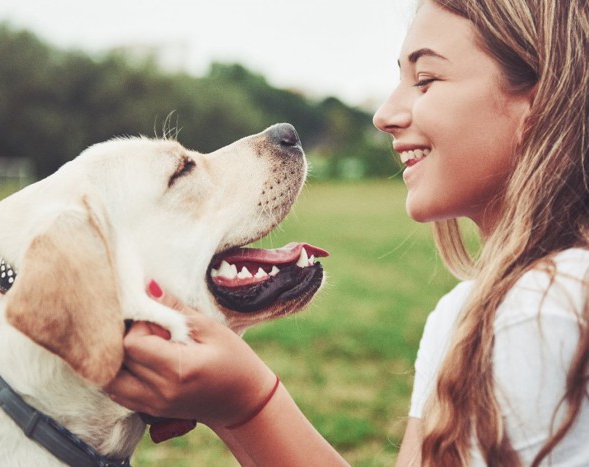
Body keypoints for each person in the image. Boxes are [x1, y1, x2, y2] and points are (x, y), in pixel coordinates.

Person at [105, 0, 589, 465]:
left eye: (426, 80)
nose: (384, 115)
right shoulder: (462, 313)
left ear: (543, 100)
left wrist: (250, 402)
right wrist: (228, 405)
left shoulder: (546, 307)